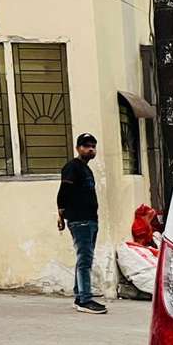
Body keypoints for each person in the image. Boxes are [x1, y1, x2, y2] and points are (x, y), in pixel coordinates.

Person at [57, 133, 106, 314]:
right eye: (86, 146)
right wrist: (61, 214)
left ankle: (80, 295)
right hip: (80, 220)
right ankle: (85, 300)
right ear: (78, 148)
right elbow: (63, 192)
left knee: (84, 258)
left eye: (93, 146)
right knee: (85, 260)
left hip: (90, 220)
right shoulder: (72, 167)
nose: (90, 149)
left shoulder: (86, 169)